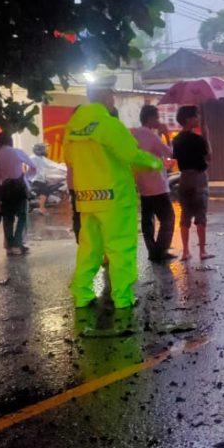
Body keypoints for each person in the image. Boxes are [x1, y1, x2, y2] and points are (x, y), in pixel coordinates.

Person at [63, 79, 163, 309]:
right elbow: (131, 154)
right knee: (121, 248)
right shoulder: (109, 125)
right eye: (112, 95)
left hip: (87, 197)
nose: (113, 99)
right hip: (115, 196)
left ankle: (82, 293)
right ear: (107, 96)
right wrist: (155, 163)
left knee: (90, 248)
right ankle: (123, 297)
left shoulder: (72, 128)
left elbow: (68, 160)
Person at [132, 104, 176, 262]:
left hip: (142, 185)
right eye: (157, 117)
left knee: (147, 221)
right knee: (168, 219)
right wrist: (167, 135)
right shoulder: (151, 135)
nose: (159, 120)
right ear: (149, 118)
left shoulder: (135, 134)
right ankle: (160, 251)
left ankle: (153, 251)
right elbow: (169, 153)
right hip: (158, 185)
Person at [171, 105, 213, 261]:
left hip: (183, 179)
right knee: (201, 215)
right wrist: (207, 137)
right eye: (195, 116)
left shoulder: (176, 140)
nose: (198, 118)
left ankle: (186, 251)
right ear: (188, 119)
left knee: (185, 215)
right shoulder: (198, 139)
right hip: (198, 178)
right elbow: (209, 158)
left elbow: (176, 158)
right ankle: (202, 251)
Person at [0, 131, 35, 256]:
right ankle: (18, 244)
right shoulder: (17, 152)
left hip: (4, 191)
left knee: (8, 218)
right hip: (18, 189)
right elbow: (33, 167)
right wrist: (25, 178)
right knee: (22, 217)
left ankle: (9, 247)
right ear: (10, 140)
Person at [29, 142, 67, 210]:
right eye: (44, 149)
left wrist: (62, 166)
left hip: (39, 178)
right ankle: (41, 207)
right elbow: (51, 165)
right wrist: (64, 168)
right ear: (40, 150)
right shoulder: (35, 158)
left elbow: (52, 164)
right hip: (36, 179)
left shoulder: (39, 158)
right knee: (45, 190)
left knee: (46, 189)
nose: (45, 151)